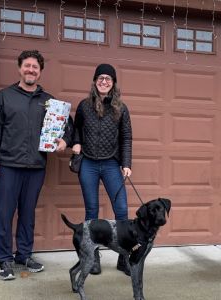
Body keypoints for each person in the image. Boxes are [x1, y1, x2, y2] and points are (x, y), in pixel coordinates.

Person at [0, 50, 73, 280]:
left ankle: (24, 255)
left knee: (27, 213)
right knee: (5, 212)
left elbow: (67, 125)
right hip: (8, 165)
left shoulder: (48, 102)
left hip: (35, 166)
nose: (31, 70)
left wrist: (65, 140)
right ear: (20, 68)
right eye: (27, 66)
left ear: (40, 72)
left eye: (35, 67)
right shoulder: (4, 97)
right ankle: (4, 260)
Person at [72, 63, 132, 275]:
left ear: (113, 83)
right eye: (100, 78)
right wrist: (76, 142)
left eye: (108, 78)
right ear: (95, 81)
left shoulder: (121, 108)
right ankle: (93, 258)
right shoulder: (84, 105)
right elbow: (75, 127)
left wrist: (126, 164)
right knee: (91, 211)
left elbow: (126, 138)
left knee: (122, 210)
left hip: (110, 164)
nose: (104, 81)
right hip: (88, 162)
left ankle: (124, 258)